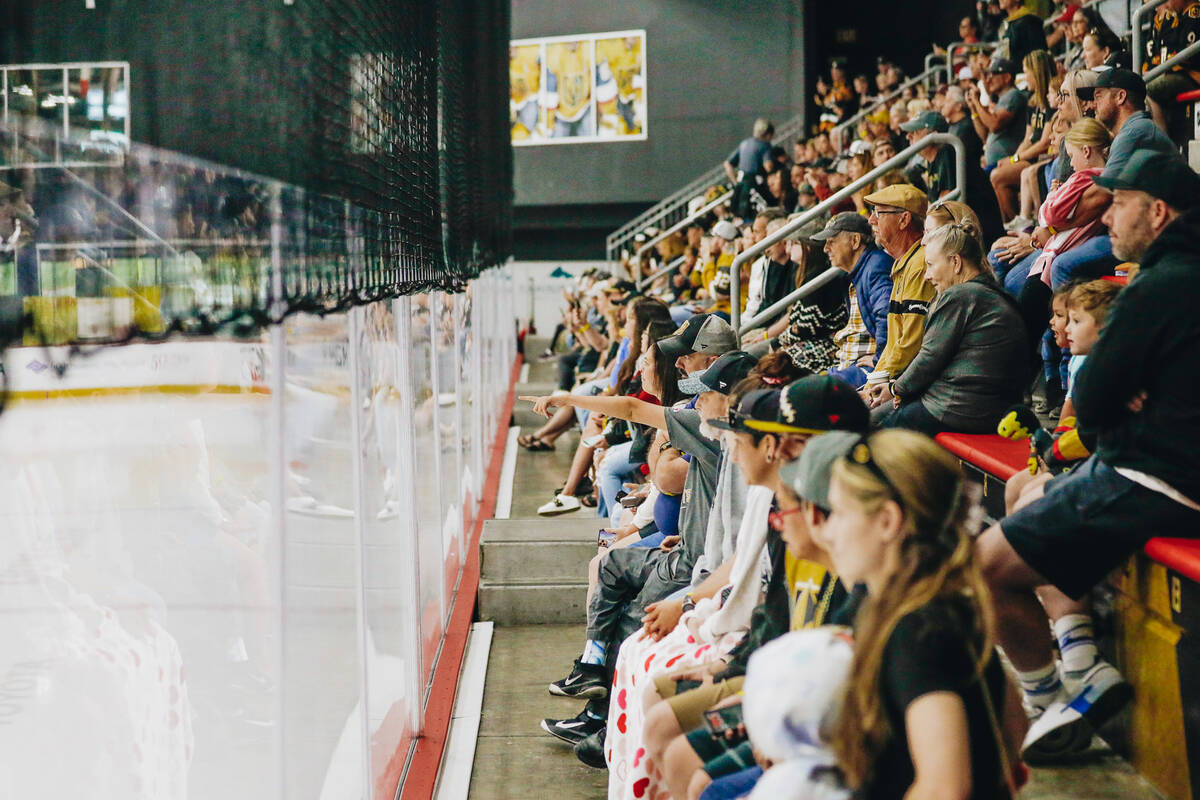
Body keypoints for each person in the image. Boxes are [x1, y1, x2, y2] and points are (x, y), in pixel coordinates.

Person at [977, 150, 1200, 763]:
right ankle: (1081, 663)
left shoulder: (1161, 283)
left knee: (985, 566)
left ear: (1157, 212)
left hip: (1158, 478)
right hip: (1155, 468)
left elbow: (1095, 402)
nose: (1106, 218)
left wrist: (1121, 398)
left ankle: (1049, 701)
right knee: (1033, 493)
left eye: (1119, 204)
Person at [825, 429, 1026, 800]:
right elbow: (1015, 725)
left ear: (887, 521)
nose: (828, 532)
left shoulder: (915, 630)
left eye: (838, 513)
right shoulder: (941, 605)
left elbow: (945, 788)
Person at [872, 222, 1027, 435]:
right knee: (871, 418)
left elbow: (929, 358)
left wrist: (895, 389)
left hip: (958, 409)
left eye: (931, 265)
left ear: (955, 262)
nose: (926, 275)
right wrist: (897, 390)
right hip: (980, 408)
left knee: (873, 436)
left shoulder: (961, 296)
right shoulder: (985, 292)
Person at [862, 185, 935, 404]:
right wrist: (870, 385)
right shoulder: (905, 263)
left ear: (903, 220)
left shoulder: (920, 264)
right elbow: (896, 344)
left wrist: (872, 390)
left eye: (879, 213)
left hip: (914, 388)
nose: (871, 220)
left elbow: (911, 344)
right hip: (900, 382)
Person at [811, 212, 894, 388]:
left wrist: (880, 359)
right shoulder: (862, 269)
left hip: (869, 370)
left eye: (831, 241)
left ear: (855, 241)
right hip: (851, 365)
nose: (826, 249)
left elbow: (888, 315)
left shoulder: (876, 267)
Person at [990, 50, 1056, 225]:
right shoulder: (1032, 101)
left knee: (997, 176)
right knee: (998, 176)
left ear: (1037, 72)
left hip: (1042, 157)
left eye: (1026, 72)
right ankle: (1012, 224)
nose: (1025, 77)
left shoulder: (1052, 101)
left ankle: (1021, 223)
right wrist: (1011, 160)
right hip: (1030, 156)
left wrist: (1016, 158)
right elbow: (1027, 139)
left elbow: (1044, 143)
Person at [1144, 0, 1200, 131]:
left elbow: (1187, 58)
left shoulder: (1195, 15)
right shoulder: (1172, 17)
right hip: (1177, 74)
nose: (1167, 3)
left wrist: (1162, 70)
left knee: (1148, 90)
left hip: (1192, 75)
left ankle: (1162, 143)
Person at [966, 58, 1028, 170]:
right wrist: (973, 109)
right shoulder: (1002, 100)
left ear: (1007, 77)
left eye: (994, 74)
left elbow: (994, 125)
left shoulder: (1013, 95)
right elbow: (984, 134)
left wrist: (976, 101)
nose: (989, 79)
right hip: (996, 163)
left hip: (1007, 162)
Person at [726, 120, 775, 220]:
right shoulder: (765, 146)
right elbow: (768, 166)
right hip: (755, 187)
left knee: (740, 215)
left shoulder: (744, 143)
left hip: (740, 185)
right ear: (768, 134)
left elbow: (728, 164)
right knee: (757, 215)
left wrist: (735, 182)